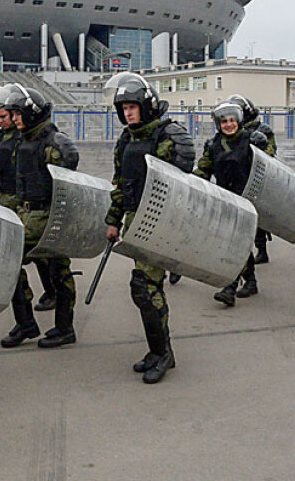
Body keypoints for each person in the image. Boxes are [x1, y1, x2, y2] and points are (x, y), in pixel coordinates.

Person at [104, 72, 195, 383]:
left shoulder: (168, 136)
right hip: (135, 220)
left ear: (146, 105)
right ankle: (159, 350)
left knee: (143, 287)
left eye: (132, 106)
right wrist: (114, 220)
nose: (128, 112)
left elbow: (183, 186)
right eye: (123, 108)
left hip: (161, 221)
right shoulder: (126, 141)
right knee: (146, 289)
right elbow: (120, 184)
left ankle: (163, 353)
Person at [0, 84, 81, 349]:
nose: (15, 120)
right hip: (29, 212)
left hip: (48, 215)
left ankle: (47, 326)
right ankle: (46, 326)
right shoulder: (26, 140)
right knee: (56, 271)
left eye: (19, 114)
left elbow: (69, 181)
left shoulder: (53, 143)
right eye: (13, 114)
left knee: (47, 270)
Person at [0, 86, 57, 312]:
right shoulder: (4, 134)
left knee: (28, 253)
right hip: (4, 195)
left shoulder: (22, 134)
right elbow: (2, 167)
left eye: (5, 117)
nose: (2, 121)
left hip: (19, 198)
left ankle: (51, 291)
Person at [195, 102, 269, 307]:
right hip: (226, 200)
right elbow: (204, 169)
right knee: (239, 244)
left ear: (239, 120)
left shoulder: (251, 141)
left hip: (248, 200)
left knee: (236, 244)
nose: (228, 124)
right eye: (224, 121)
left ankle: (230, 287)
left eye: (232, 120)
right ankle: (251, 281)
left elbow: (268, 167)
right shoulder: (213, 145)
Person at [229, 94, 276, 264]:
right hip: (238, 179)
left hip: (257, 179)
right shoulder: (233, 131)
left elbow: (269, 153)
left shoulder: (262, 131)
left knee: (259, 218)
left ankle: (261, 250)